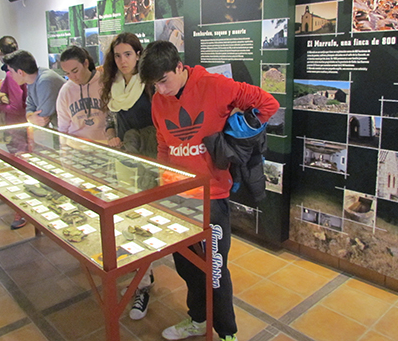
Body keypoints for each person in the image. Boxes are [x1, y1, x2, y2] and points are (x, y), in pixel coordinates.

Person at [138, 40, 279, 341]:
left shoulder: (215, 85)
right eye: (154, 84)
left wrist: (239, 133)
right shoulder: (158, 100)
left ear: (179, 67)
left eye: (163, 81)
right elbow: (164, 144)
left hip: (211, 195)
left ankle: (227, 332)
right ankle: (198, 319)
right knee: (187, 266)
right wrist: (165, 183)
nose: (160, 90)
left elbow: (268, 104)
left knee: (215, 269)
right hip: (177, 196)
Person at [100, 33, 156, 320]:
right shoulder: (113, 84)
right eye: (118, 55)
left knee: (143, 219)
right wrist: (110, 133)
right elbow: (111, 117)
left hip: (149, 160)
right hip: (123, 158)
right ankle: (142, 276)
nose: (122, 61)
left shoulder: (149, 83)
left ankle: (142, 285)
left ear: (138, 54)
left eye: (128, 54)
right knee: (127, 218)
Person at [0, 36, 28, 230]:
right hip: (21, 128)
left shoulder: (13, 75)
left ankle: (21, 212)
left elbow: (17, 106)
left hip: (18, 128)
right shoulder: (18, 71)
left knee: (21, 169)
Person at [56, 46, 107, 142]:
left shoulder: (104, 82)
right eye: (67, 73)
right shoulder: (66, 91)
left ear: (86, 63)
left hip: (104, 144)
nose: (72, 77)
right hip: (76, 146)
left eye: (75, 71)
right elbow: (63, 127)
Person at [3, 50, 65, 128]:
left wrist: (31, 118)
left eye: (11, 72)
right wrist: (30, 117)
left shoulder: (45, 81)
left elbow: (43, 117)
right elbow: (29, 106)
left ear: (20, 72)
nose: (10, 75)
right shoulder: (31, 81)